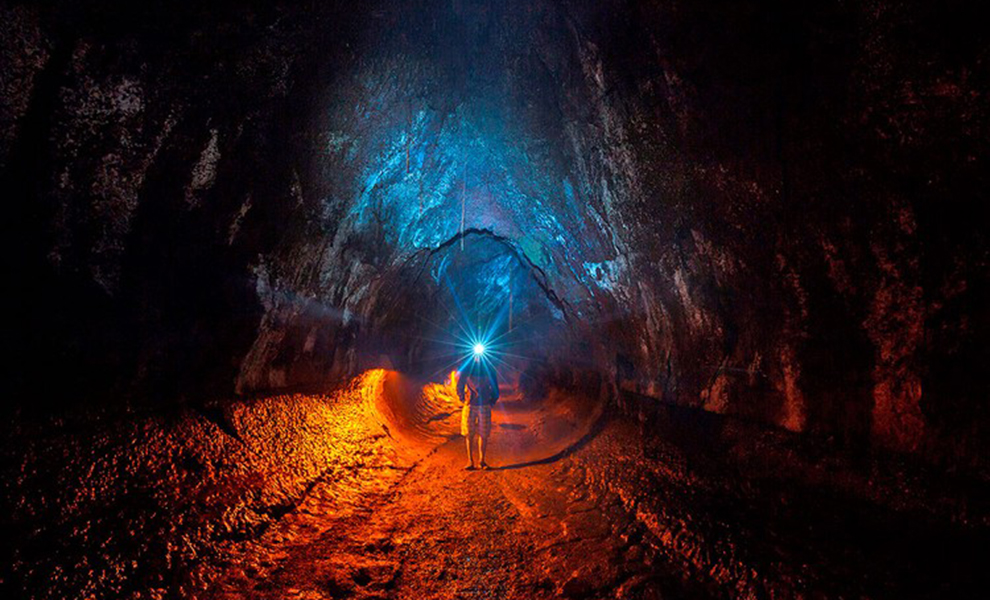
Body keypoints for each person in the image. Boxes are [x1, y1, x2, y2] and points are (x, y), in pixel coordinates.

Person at [457, 358, 499, 470]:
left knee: (483, 433)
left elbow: (495, 386)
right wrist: (462, 397)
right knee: (469, 433)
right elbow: (460, 384)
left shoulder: (489, 368)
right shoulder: (467, 368)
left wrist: (492, 400)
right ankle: (470, 461)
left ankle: (482, 461)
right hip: (470, 404)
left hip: (484, 405)